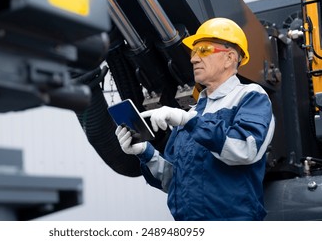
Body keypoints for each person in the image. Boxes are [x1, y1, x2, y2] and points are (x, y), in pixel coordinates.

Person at [115, 17, 275, 221]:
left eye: (204, 50)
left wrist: (188, 121)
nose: (193, 59)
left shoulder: (251, 97)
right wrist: (145, 153)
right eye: (193, 52)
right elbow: (173, 180)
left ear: (229, 58)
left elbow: (244, 148)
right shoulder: (193, 113)